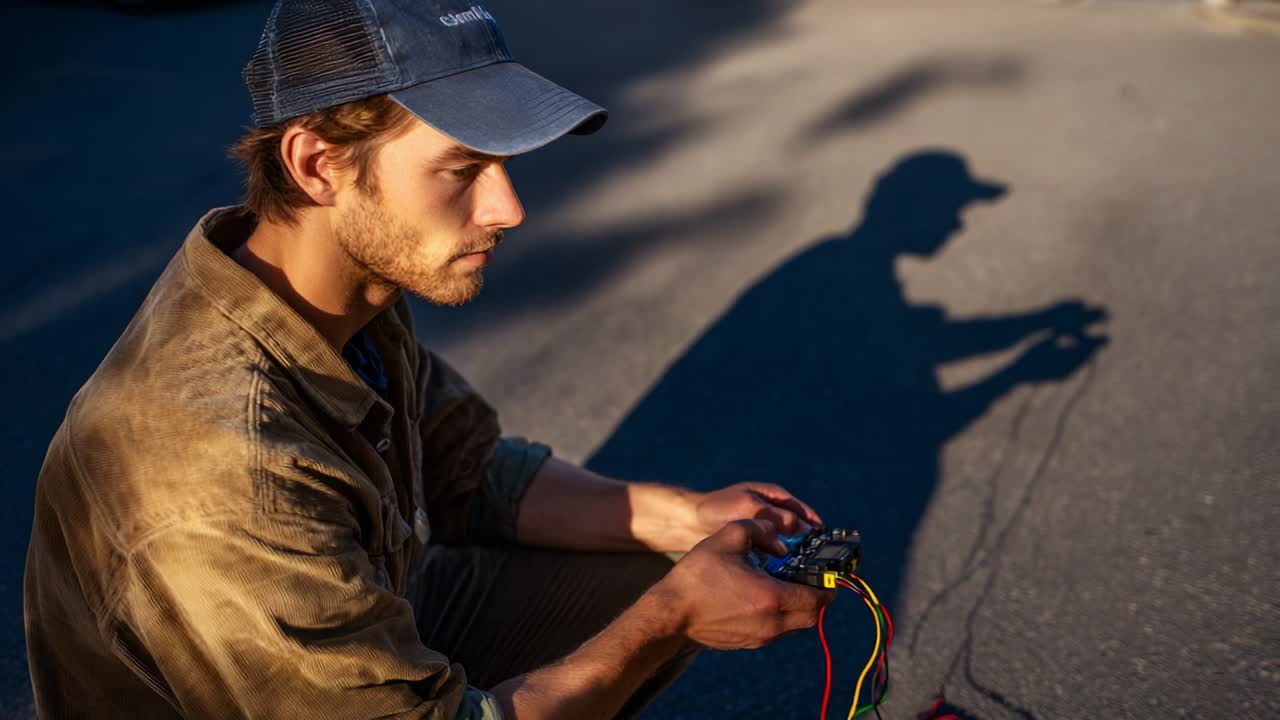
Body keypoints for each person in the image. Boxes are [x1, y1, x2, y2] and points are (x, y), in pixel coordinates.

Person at [22, 2, 832, 718]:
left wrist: (687, 517)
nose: (508, 208)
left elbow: (468, 471)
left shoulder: (342, 280)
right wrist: (670, 621)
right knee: (663, 605)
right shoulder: (216, 461)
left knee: (671, 565)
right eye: (462, 168)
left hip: (374, 606)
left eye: (505, 162)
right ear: (318, 164)